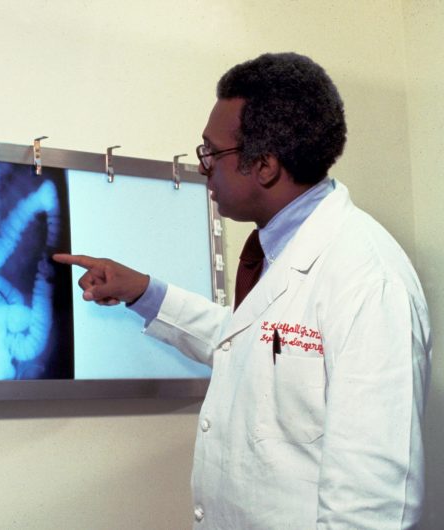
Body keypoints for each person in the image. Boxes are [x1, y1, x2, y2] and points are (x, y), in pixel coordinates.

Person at [54, 52, 431, 529]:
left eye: (211, 152)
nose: (202, 167)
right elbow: (252, 344)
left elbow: (374, 508)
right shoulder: (279, 252)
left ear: (265, 166)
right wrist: (143, 292)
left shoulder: (369, 283)